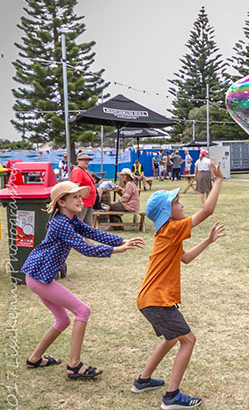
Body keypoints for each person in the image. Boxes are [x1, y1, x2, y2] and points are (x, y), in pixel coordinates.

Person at [20, 181, 144, 379]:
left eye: (80, 196)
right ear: (61, 202)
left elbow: (92, 233)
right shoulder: (61, 223)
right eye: (75, 197)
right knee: (82, 310)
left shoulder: (71, 220)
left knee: (62, 320)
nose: (80, 200)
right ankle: (74, 365)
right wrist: (115, 249)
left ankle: (34, 359)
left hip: (38, 276)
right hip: (39, 278)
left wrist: (121, 240)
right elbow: (84, 248)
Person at [133, 163, 225, 408]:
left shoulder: (168, 232)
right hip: (157, 300)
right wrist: (218, 180)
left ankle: (142, 381)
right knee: (188, 340)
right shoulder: (171, 229)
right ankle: (171, 397)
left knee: (173, 339)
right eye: (176, 202)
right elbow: (207, 210)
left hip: (150, 300)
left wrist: (207, 241)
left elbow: (185, 258)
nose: (181, 204)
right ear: (168, 212)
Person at [70, 152, 97, 226]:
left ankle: (87, 238)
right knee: (78, 223)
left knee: (88, 224)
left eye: (88, 160)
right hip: (82, 202)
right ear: (78, 161)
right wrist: (78, 201)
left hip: (89, 202)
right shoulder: (77, 171)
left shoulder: (84, 170)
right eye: (84, 160)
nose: (87, 161)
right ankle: (74, 237)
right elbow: (75, 187)